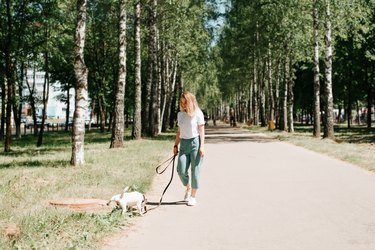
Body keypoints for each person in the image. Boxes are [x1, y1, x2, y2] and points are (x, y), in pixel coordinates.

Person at [173, 91, 205, 206]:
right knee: (181, 171)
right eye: (182, 103)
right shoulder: (180, 115)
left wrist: (202, 146)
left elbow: (201, 132)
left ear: (190, 102)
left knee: (195, 171)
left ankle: (193, 196)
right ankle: (188, 187)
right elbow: (179, 132)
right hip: (184, 144)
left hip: (195, 143)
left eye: (185, 103)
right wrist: (176, 145)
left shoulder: (198, 114)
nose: (183, 105)